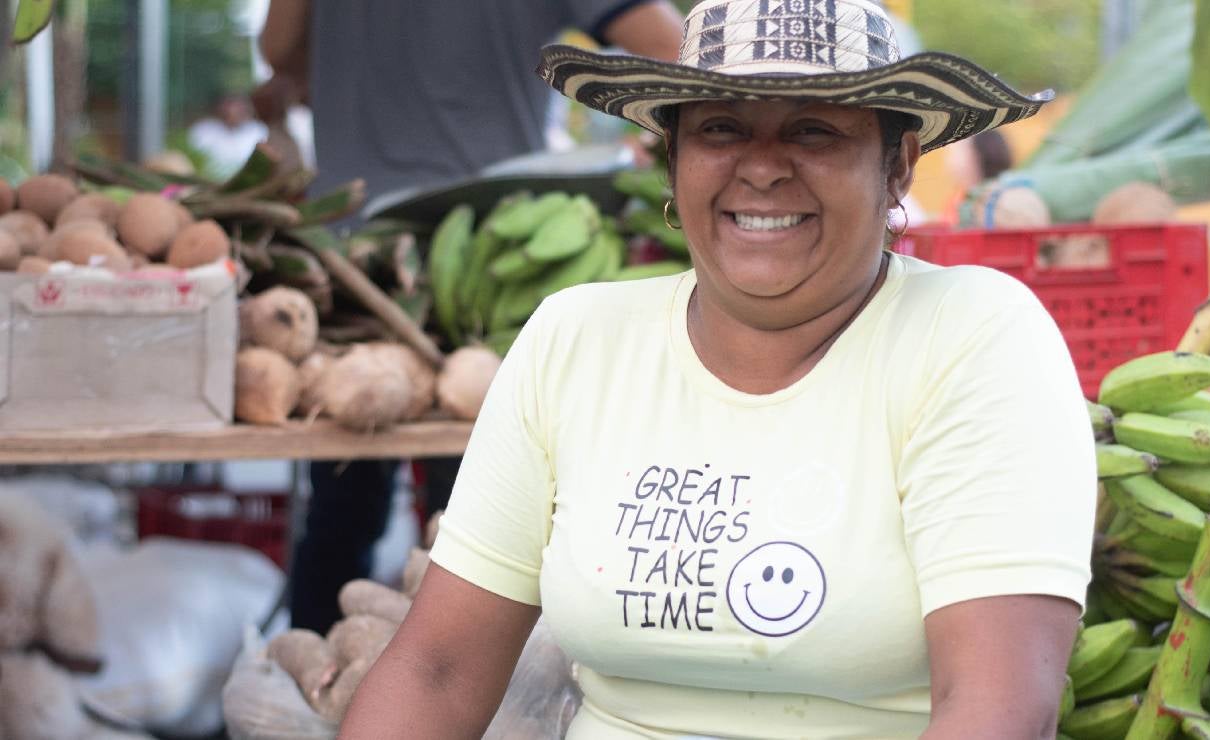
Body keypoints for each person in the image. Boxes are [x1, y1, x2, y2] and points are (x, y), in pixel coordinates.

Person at [341, 1, 1097, 737]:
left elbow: (1000, 710)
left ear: (897, 166)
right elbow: (437, 670)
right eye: (721, 128)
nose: (762, 167)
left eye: (814, 130)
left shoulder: (974, 335)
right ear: (669, 158)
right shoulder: (574, 339)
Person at [254, 1, 686, 636]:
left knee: (343, 505)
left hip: (351, 255)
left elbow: (279, 50)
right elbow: (676, 48)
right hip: (498, 246)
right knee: (480, 519)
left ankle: (315, 702)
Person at [188, 93, 270, 181]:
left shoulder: (257, 131)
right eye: (230, 110)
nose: (234, 114)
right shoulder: (203, 129)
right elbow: (191, 161)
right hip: (207, 182)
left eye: (240, 110)